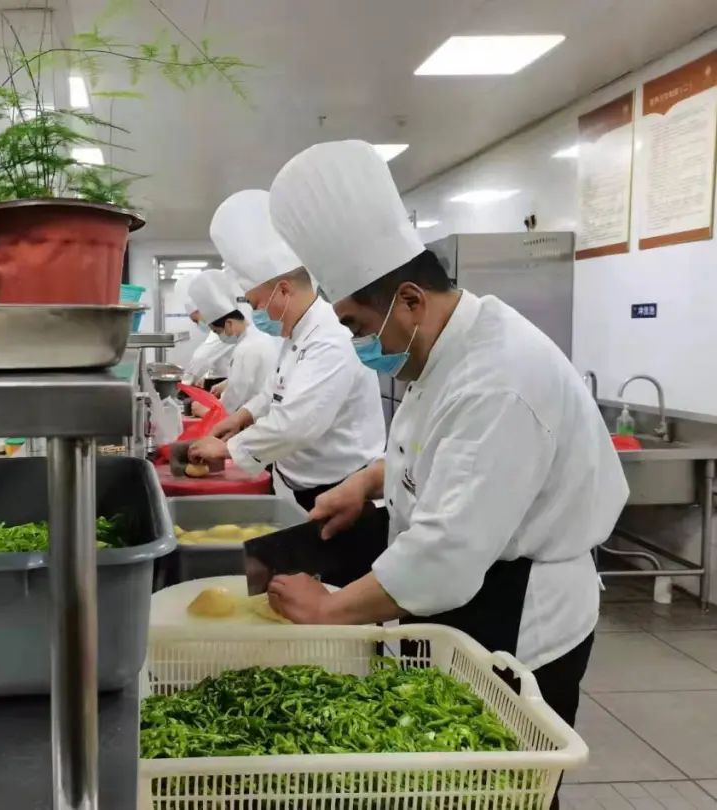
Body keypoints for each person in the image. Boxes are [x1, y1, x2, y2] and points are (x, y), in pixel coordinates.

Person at [265, 140, 628, 800]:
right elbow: (441, 451)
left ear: (409, 300)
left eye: (356, 326)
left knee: (496, 788)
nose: (358, 345)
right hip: (469, 597)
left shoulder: (500, 378)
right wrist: (368, 481)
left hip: (518, 616)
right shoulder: (447, 350)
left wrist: (332, 609)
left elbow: (447, 554)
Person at [189, 189, 386, 512]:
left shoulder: (330, 338)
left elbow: (297, 424)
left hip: (342, 490)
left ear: (282, 290)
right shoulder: (296, 333)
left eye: (255, 304)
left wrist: (228, 449)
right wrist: (242, 416)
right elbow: (275, 390)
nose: (255, 313)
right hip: (303, 483)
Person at [187, 268, 279, 414]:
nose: (219, 336)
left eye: (217, 332)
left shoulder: (246, 348)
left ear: (229, 323)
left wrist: (204, 411)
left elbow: (232, 404)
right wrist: (227, 384)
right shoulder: (259, 337)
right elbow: (250, 381)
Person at [180, 298, 234, 391]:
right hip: (223, 380)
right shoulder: (222, 323)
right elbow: (216, 357)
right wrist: (204, 376)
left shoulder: (223, 326)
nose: (198, 324)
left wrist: (185, 384)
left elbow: (201, 358)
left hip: (225, 381)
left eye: (196, 321)